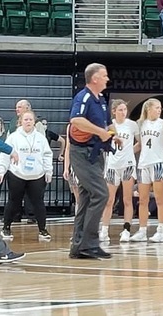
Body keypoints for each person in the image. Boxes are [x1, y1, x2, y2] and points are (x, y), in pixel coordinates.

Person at [68, 63, 115, 260]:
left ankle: (78, 246)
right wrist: (100, 132)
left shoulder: (101, 99)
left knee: (87, 197)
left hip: (96, 153)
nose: (107, 79)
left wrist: (114, 134)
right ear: (94, 78)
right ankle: (89, 243)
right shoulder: (84, 96)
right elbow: (76, 121)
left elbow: (107, 123)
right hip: (82, 152)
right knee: (101, 194)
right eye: (104, 76)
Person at [0, 110, 53, 241]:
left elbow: (47, 154)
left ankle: (42, 230)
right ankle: (6, 228)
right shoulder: (13, 137)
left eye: (30, 120)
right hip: (17, 174)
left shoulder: (41, 138)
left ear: (34, 122)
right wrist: (1, 170)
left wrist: (48, 170)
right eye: (25, 120)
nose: (28, 122)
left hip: (37, 176)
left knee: (38, 203)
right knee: (13, 201)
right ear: (20, 122)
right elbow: (5, 154)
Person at [99, 100, 139, 243]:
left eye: (125, 109)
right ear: (114, 111)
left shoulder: (132, 125)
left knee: (127, 199)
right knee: (109, 200)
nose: (123, 112)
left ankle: (127, 230)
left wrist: (130, 151)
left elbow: (140, 142)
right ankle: (104, 230)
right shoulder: (109, 125)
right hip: (112, 166)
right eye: (120, 110)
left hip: (127, 165)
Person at [135, 98, 163, 243]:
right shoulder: (140, 124)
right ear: (148, 109)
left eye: (160, 108)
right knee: (143, 199)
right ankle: (142, 230)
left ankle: (161, 231)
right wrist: (126, 153)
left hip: (158, 163)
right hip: (143, 163)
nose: (159, 110)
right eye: (156, 107)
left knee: (160, 198)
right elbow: (140, 145)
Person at [62, 124, 80, 215]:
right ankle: (79, 220)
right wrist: (66, 168)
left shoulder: (92, 124)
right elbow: (68, 148)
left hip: (89, 165)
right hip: (75, 164)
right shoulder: (71, 126)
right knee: (78, 197)